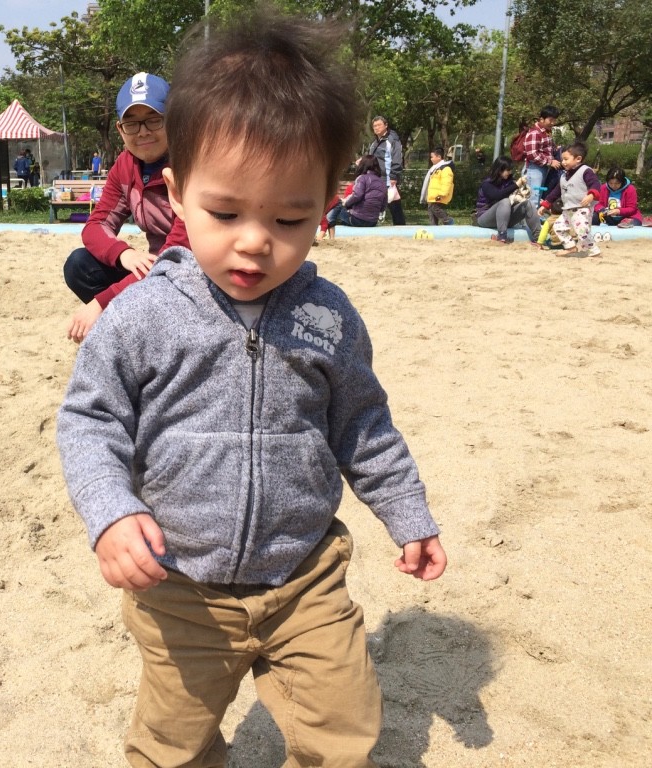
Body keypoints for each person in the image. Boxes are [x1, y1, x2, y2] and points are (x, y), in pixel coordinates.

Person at [57, 12, 446, 768]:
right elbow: (89, 420)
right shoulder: (144, 314)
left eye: (290, 216)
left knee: (344, 732)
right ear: (176, 191)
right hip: (182, 589)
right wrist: (110, 514)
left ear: (327, 203)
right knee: (172, 746)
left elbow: (363, 425)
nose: (255, 241)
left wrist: (409, 514)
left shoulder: (327, 317)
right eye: (225, 212)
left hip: (304, 579)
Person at [62, 72, 189, 343]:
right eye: (132, 124)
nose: (143, 131)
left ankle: (138, 332)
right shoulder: (125, 165)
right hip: (151, 266)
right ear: (120, 130)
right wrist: (124, 254)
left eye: (154, 119)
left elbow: (180, 253)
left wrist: (101, 303)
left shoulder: (189, 165)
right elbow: (96, 226)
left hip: (189, 270)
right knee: (79, 265)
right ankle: (133, 335)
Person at [539, 141, 601, 257]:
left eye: (566, 159)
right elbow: (556, 191)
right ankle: (571, 247)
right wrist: (545, 204)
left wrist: (591, 195)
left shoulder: (586, 171)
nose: (563, 162)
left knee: (582, 231)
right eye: (562, 159)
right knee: (558, 227)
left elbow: (595, 184)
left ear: (578, 159)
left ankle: (594, 252)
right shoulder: (564, 175)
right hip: (568, 209)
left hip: (582, 208)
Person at [474, 156, 541, 244]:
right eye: (507, 170)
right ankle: (502, 236)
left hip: (505, 218)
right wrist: (516, 185)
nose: (509, 172)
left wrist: (523, 191)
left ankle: (539, 238)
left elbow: (515, 196)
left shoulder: (509, 182)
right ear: (499, 169)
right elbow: (497, 195)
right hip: (485, 218)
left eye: (510, 170)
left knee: (528, 204)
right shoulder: (487, 183)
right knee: (505, 201)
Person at [326, 154, 386, 229]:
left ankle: (329, 226)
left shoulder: (362, 178)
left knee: (338, 204)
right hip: (373, 221)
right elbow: (383, 206)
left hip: (357, 219)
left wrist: (346, 204)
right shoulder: (382, 182)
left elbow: (357, 195)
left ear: (363, 165)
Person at [367, 115, 406, 224]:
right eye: (374, 126)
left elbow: (397, 158)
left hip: (387, 178)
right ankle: (397, 224)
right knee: (392, 202)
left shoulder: (392, 140)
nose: (376, 128)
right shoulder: (374, 143)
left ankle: (400, 226)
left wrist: (393, 176)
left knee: (393, 203)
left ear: (386, 125)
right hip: (375, 178)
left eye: (379, 125)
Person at [522, 105, 562, 208]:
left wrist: (557, 149)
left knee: (538, 196)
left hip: (542, 168)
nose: (553, 123)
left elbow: (548, 149)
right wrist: (550, 162)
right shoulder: (535, 133)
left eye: (554, 120)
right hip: (534, 169)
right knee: (533, 198)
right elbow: (532, 155)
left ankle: (535, 221)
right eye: (550, 120)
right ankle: (529, 223)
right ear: (541, 119)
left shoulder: (546, 132)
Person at [420, 147, 455, 225]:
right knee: (431, 213)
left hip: (439, 196)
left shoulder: (445, 169)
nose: (431, 159)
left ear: (439, 157)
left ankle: (448, 220)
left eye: (432, 157)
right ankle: (433, 227)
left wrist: (442, 194)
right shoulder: (435, 169)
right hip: (432, 197)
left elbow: (447, 183)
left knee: (435, 209)